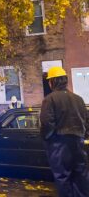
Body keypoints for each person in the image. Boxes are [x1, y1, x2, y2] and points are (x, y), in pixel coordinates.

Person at [40, 66, 89, 197]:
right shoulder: (79, 99)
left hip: (59, 145)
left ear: (52, 82)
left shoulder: (50, 99)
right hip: (78, 143)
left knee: (63, 177)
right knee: (81, 176)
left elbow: (46, 123)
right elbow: (86, 121)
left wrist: (47, 139)